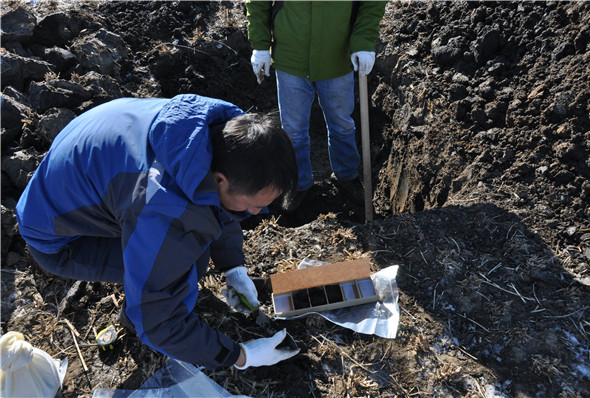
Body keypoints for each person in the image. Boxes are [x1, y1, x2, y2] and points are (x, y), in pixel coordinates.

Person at [15, 94, 300, 370]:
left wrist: (233, 266)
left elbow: (214, 202)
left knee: (186, 250)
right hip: (59, 237)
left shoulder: (210, 133)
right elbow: (158, 323)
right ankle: (130, 320)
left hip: (80, 183)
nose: (255, 213)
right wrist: (240, 356)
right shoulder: (163, 205)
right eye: (253, 206)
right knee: (186, 266)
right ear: (220, 180)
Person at [246, 0, 387, 212]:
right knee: (293, 130)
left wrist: (363, 41)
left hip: (336, 57)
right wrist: (260, 44)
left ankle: (347, 176)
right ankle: (298, 184)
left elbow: (372, 4)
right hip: (290, 57)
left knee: (342, 124)